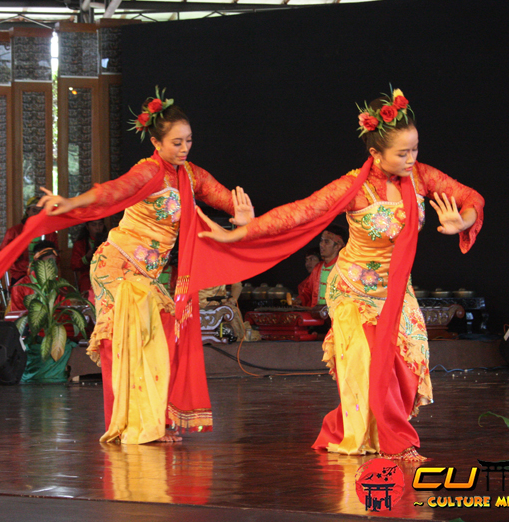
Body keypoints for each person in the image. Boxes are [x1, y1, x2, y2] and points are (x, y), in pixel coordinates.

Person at [197, 88, 484, 461]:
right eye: (402, 153)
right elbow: (299, 212)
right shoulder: (355, 187)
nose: (412, 158)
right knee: (366, 364)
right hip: (353, 289)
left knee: (408, 364)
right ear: (375, 154)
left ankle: (364, 429)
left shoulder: (422, 177)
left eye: (414, 149)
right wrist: (240, 233)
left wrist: (464, 218)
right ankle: (397, 441)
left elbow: (471, 196)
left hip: (395, 288)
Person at [34, 88, 254, 444]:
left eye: (189, 142)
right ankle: (131, 424)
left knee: (160, 339)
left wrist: (240, 215)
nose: (184, 149)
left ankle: (150, 422)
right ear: (156, 142)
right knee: (124, 346)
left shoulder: (190, 175)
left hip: (144, 274)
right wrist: (70, 202)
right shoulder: (149, 172)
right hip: (116, 266)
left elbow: (225, 199)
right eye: (177, 143)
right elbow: (111, 192)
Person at [0, 197, 58, 286]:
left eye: (41, 211)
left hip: (44, 274)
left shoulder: (50, 233)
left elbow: (56, 256)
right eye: (34, 210)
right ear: (27, 211)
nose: (37, 214)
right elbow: (3, 254)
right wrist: (14, 255)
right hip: (20, 273)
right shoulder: (14, 231)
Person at [298, 226, 348, 306]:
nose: (321, 245)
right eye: (321, 241)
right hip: (317, 316)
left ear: (337, 246)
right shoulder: (318, 268)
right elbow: (307, 292)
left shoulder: (345, 268)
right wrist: (299, 300)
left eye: (326, 242)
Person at [7, 240, 59, 313]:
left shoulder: (59, 285)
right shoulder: (20, 287)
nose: (52, 266)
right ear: (37, 261)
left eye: (54, 261)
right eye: (48, 261)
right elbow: (16, 317)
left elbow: (64, 314)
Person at [71, 220, 108, 293]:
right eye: (94, 225)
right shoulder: (80, 244)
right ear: (87, 227)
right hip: (88, 277)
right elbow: (74, 265)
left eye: (100, 224)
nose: (98, 228)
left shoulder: (110, 240)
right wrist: (86, 257)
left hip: (107, 273)